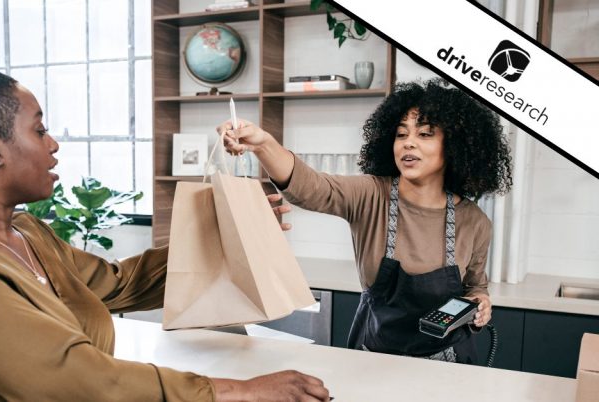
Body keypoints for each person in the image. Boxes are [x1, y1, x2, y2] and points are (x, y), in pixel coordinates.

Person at [0, 68, 331, 401]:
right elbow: (76, 379)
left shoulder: (28, 234)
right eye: (39, 129)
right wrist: (239, 391)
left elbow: (120, 283)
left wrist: (233, 230)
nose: (53, 145)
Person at [219, 79, 513, 364]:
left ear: (454, 146)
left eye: (424, 134)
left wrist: (480, 304)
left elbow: (475, 287)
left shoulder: (474, 222)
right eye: (401, 134)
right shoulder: (371, 195)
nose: (408, 143)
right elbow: (311, 187)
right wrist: (263, 144)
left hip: (449, 365)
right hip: (373, 360)